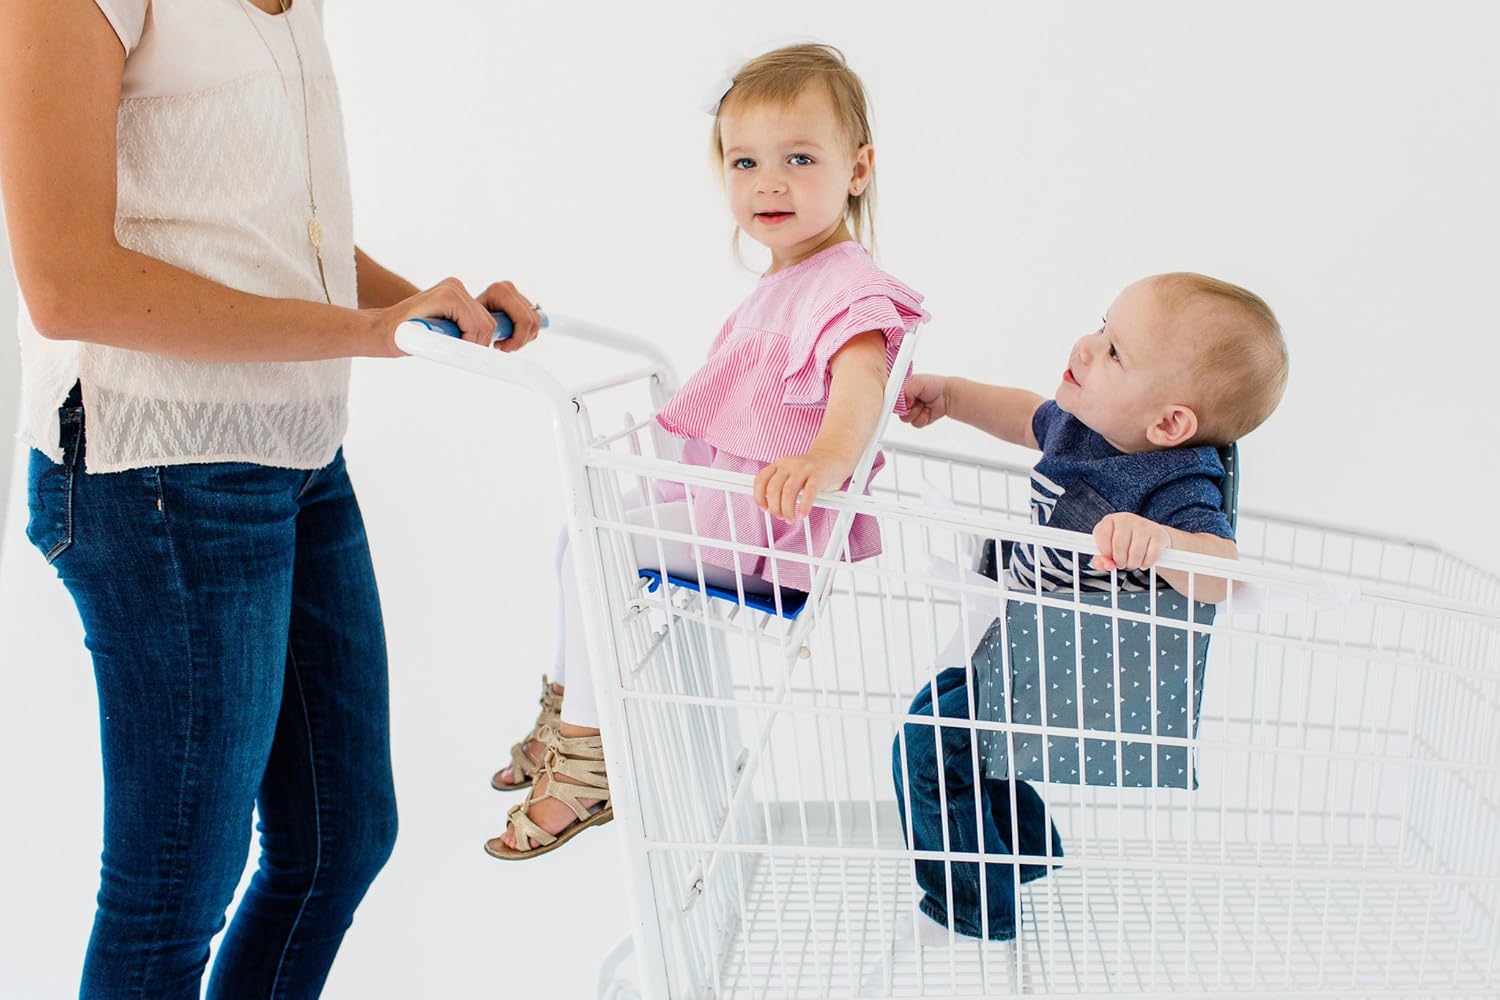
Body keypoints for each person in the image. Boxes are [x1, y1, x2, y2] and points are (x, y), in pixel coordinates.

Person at [0, 1, 540, 995]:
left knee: (340, 838)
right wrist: (373, 333)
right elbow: (66, 281)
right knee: (169, 903)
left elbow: (276, 242)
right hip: (156, 468)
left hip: (292, 446)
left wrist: (424, 309)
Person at [486, 44, 930, 861]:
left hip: (767, 527)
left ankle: (588, 759)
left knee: (595, 551)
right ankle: (564, 712)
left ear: (858, 169)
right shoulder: (785, 281)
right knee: (577, 534)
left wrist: (829, 457)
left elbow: (862, 377)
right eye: (745, 161)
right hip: (729, 513)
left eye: (801, 158)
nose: (770, 181)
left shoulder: (847, 285)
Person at [891, 272, 1289, 941]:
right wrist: (952, 396)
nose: (1084, 346)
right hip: (1022, 645)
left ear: (1169, 423)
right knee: (941, 723)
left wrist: (1163, 542)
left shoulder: (1177, 482)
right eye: (1101, 327)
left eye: (1114, 352)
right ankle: (1025, 852)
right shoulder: (1084, 428)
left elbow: (1220, 575)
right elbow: (1024, 416)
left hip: (1079, 671)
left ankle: (970, 911)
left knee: (927, 746)